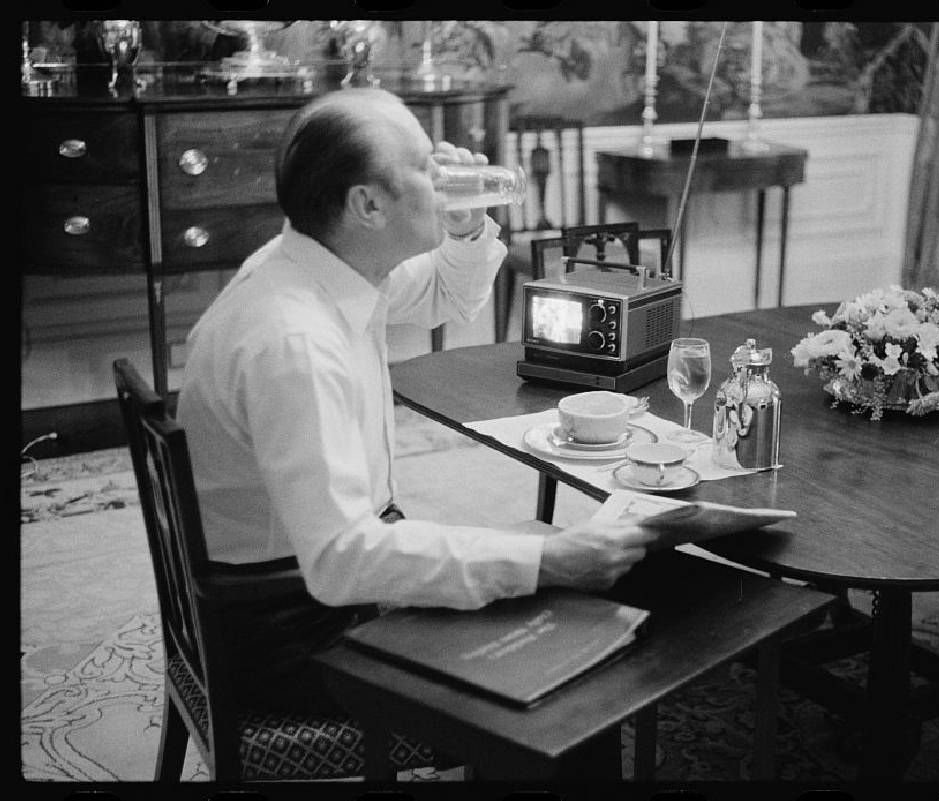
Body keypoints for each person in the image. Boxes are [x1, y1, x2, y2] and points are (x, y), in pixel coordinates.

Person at [177, 88, 656, 713]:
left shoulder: (317, 260)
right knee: (571, 669)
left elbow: (446, 296)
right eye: (426, 167)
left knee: (547, 575)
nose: (449, 176)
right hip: (291, 632)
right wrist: (548, 562)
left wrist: (461, 227)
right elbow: (342, 561)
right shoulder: (293, 342)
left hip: (303, 583)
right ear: (368, 204)